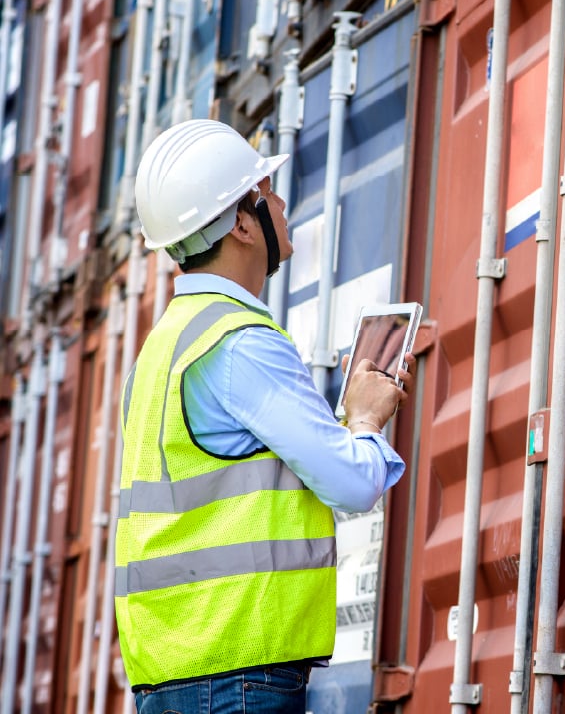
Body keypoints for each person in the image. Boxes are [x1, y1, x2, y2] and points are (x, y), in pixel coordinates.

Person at [114, 118, 416, 714]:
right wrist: (364, 421)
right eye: (268, 191)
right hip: (237, 676)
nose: (281, 202)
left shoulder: (161, 349)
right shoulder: (242, 341)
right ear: (244, 225)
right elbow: (354, 483)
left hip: (172, 673)